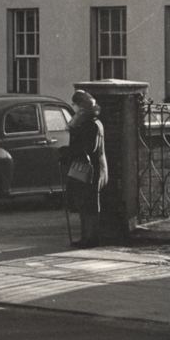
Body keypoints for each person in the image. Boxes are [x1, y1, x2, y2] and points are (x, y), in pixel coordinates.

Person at [65, 90, 108, 248]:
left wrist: (70, 152)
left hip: (92, 168)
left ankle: (91, 238)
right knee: (85, 204)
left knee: (90, 204)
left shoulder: (90, 123)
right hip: (88, 166)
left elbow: (90, 147)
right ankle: (86, 238)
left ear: (81, 106)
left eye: (75, 104)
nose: (74, 107)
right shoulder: (86, 121)